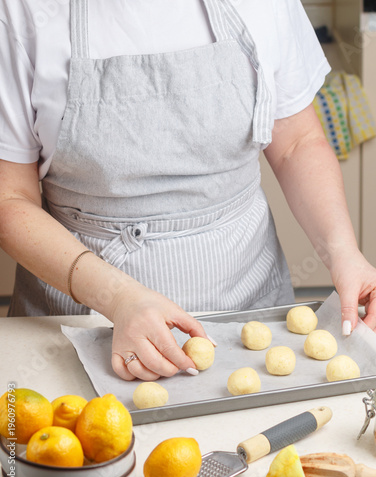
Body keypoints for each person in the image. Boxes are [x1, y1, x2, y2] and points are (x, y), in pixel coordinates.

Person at [1, 0, 376, 383]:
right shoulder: (23, 11)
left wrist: (342, 251)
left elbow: (298, 143)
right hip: (83, 326)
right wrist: (115, 296)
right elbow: (9, 199)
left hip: (249, 318)